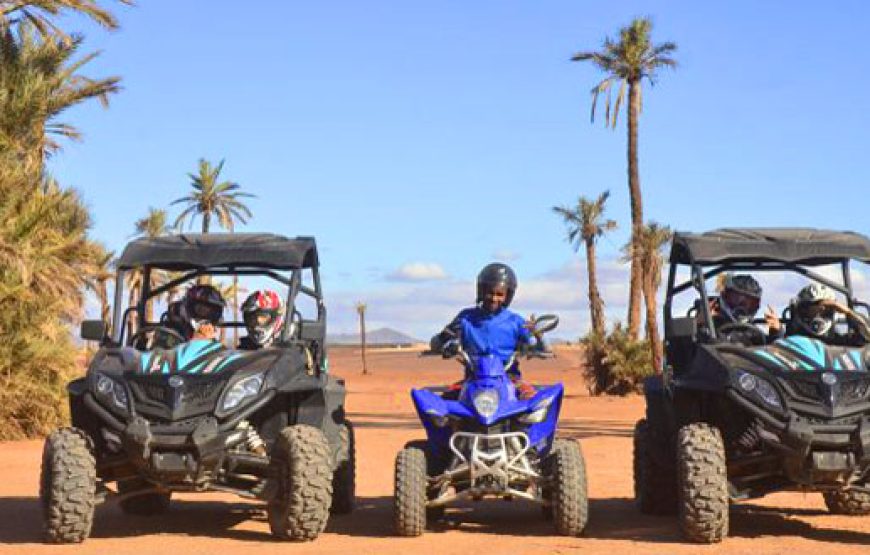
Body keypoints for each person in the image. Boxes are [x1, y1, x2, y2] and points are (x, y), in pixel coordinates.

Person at [430, 262, 537, 400]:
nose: (494, 298)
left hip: (510, 379)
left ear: (507, 295)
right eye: (490, 293)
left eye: (499, 294)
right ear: (481, 291)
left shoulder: (515, 321)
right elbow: (436, 343)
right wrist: (444, 338)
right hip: (473, 380)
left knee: (532, 403)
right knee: (442, 408)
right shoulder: (465, 317)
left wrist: (538, 336)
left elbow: (536, 343)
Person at [771, 283, 870, 346]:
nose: (817, 315)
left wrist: (848, 312)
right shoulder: (789, 340)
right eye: (812, 308)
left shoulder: (839, 341)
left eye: (826, 309)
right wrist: (776, 332)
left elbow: (866, 337)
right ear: (800, 310)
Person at [701, 273, 782, 344]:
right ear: (724, 296)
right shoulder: (711, 326)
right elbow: (693, 352)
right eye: (737, 300)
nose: (741, 309)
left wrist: (776, 333)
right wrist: (701, 326)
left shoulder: (753, 332)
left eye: (749, 304)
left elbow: (772, 353)